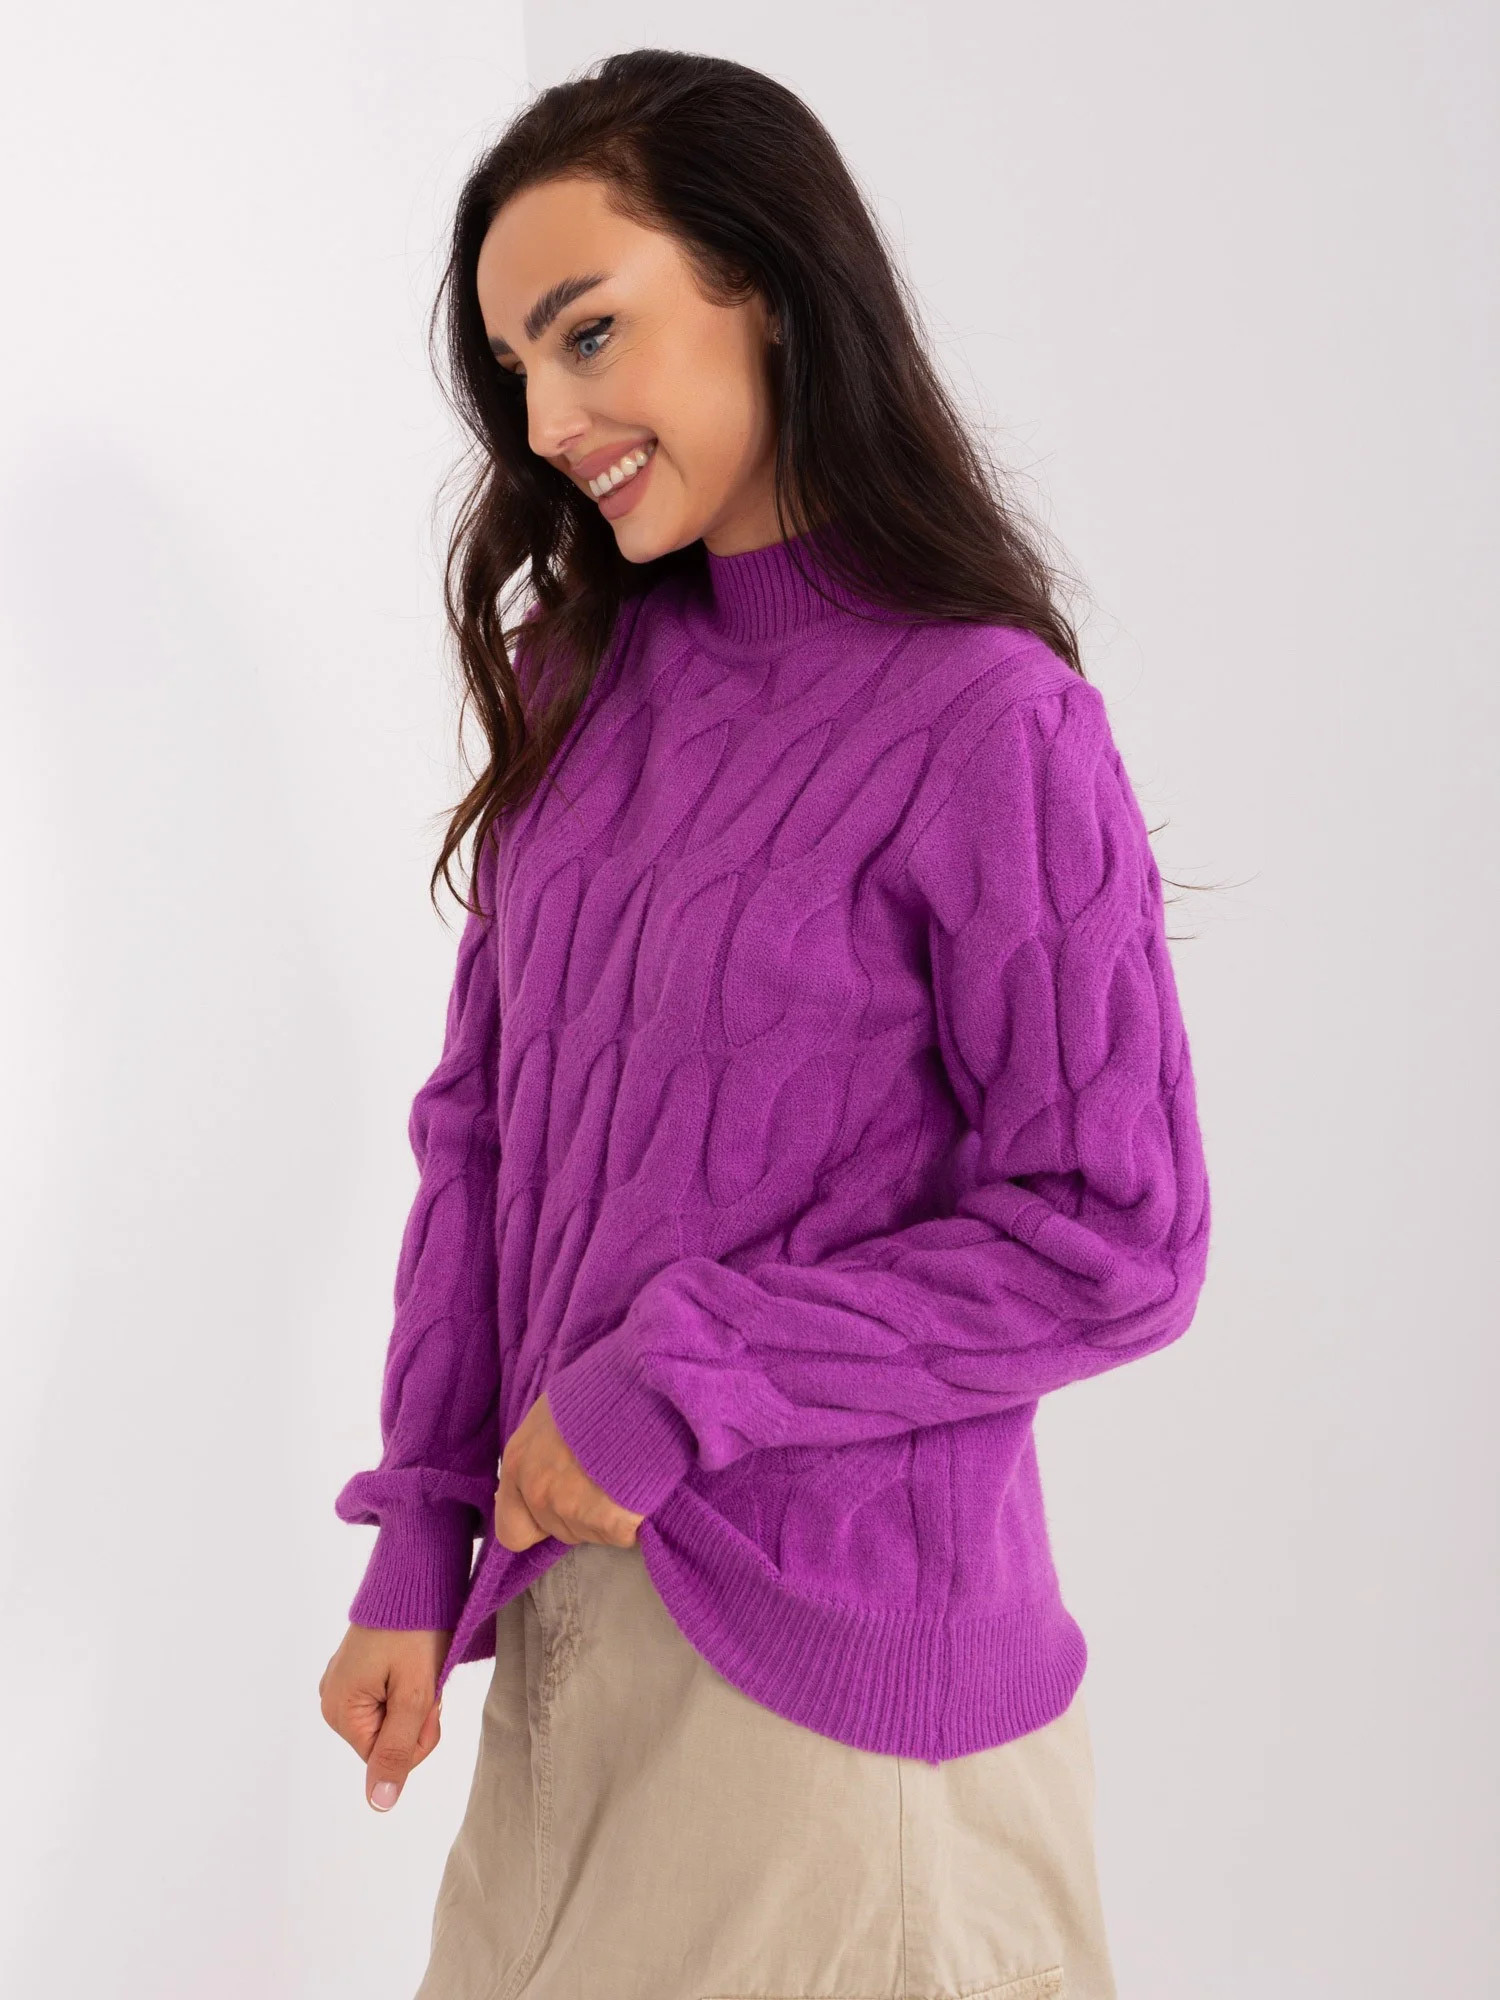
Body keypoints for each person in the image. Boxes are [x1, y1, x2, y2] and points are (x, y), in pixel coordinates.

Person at [318, 47, 1211, 2000]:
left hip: (836, 1720)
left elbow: (1117, 1234)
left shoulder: (987, 719)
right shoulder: (581, 687)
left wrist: (681, 1372)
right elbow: (485, 1134)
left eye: (590, 334)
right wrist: (418, 1534)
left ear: (772, 289)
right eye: (516, 369)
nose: (549, 422)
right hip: (568, 1648)